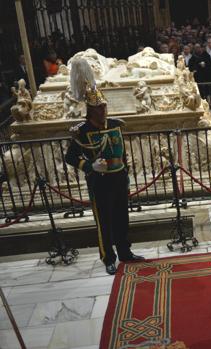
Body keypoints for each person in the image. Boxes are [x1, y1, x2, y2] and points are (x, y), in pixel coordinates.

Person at [65, 58, 144, 275]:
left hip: (118, 178)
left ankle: (125, 252)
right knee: (105, 222)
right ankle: (108, 258)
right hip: (99, 182)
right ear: (90, 110)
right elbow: (71, 157)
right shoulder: (81, 131)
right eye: (99, 108)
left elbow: (122, 153)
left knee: (121, 218)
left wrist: (126, 175)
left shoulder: (116, 125)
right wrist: (90, 165)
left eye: (104, 106)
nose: (103, 110)